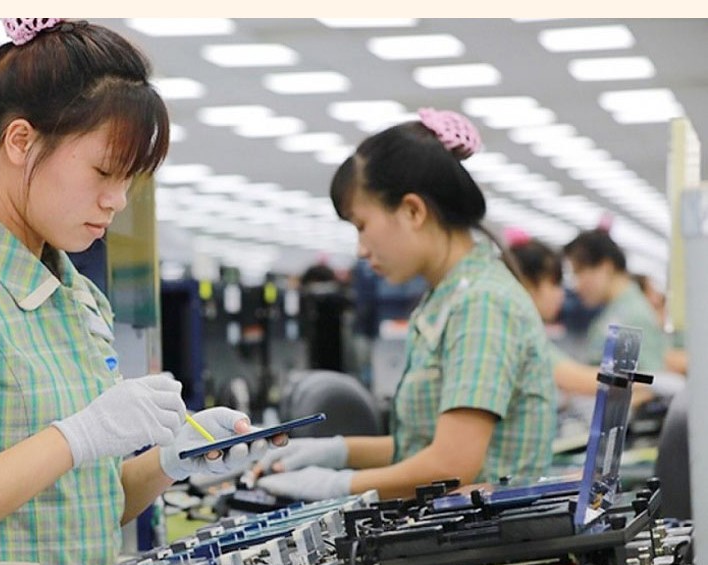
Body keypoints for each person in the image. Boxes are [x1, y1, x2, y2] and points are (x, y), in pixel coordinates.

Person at [0, 19, 276, 565]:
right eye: (103, 171)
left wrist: (171, 460)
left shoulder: (80, 298)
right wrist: (73, 437)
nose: (116, 200)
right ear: (21, 142)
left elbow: (88, 504)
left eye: (129, 180)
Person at [252, 108, 558, 502]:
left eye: (362, 225)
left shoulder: (480, 303)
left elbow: (451, 466)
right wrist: (338, 451)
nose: (361, 250)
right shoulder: (448, 297)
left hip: (485, 553)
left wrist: (338, 486)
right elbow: (422, 448)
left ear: (413, 210)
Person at [509, 237, 655, 408]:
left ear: (606, 268)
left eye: (579, 272)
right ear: (528, 285)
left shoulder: (631, 314)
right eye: (554, 284)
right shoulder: (524, 335)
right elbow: (580, 378)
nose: (570, 290)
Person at [562, 228, 668, 374]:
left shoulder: (632, 317)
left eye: (579, 272)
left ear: (606, 267)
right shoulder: (616, 311)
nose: (577, 285)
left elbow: (645, 388)